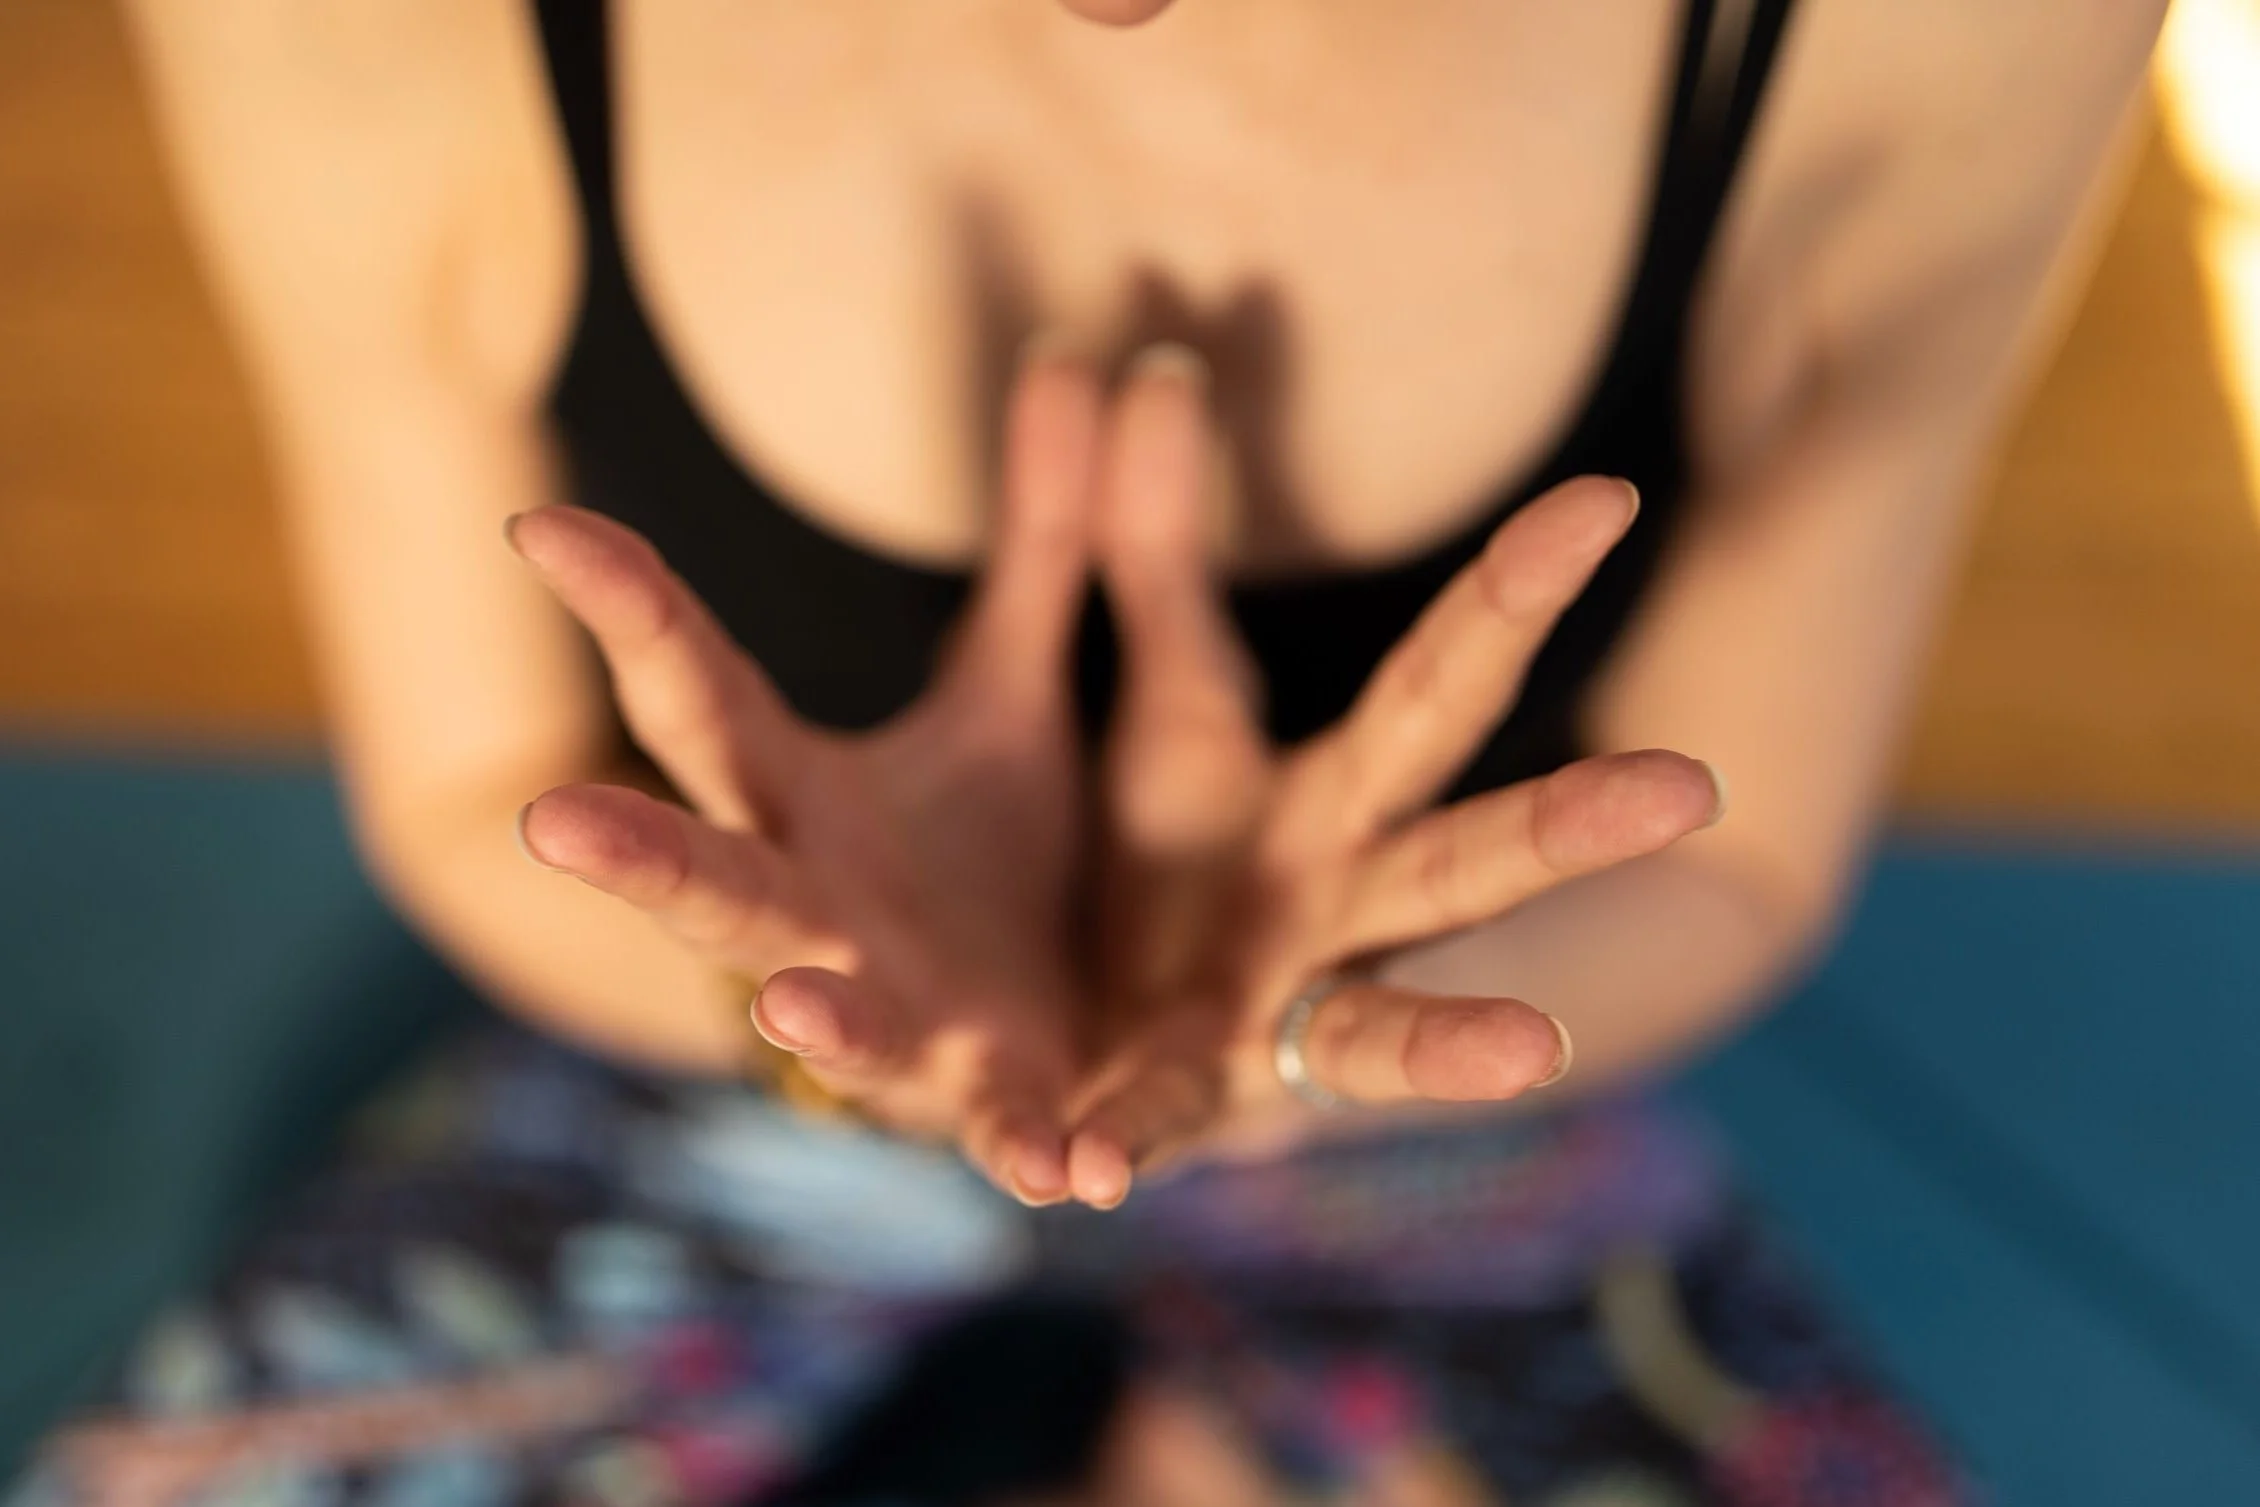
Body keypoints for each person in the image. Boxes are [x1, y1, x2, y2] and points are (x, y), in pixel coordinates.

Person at [35, 0, 2162, 1500]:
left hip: (1411, 1091)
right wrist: (840, 1042)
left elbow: (1737, 856)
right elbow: (462, 791)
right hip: (723, 1069)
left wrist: (1324, 1040)